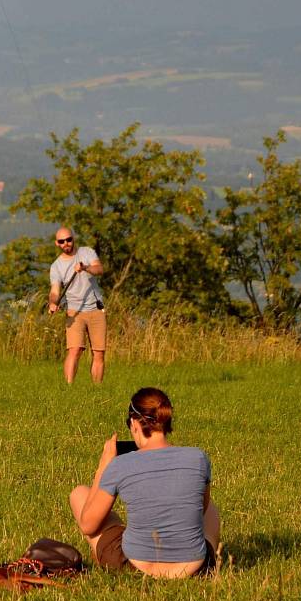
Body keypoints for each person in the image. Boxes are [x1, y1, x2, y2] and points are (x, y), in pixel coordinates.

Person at [69, 387, 221, 578]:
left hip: (133, 566)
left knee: (79, 493)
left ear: (134, 423)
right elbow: (203, 508)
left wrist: (103, 466)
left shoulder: (120, 464)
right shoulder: (198, 458)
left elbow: (88, 525)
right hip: (193, 569)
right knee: (212, 510)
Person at [47, 226, 106, 384]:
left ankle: (97, 390)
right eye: (62, 241)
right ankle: (69, 388)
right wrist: (53, 303)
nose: (66, 243)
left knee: (98, 353)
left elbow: (99, 269)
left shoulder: (86, 252)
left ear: (73, 239)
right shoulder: (56, 266)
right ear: (57, 243)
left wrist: (86, 268)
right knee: (75, 350)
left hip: (96, 309)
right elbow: (54, 291)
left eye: (69, 239)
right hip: (74, 312)